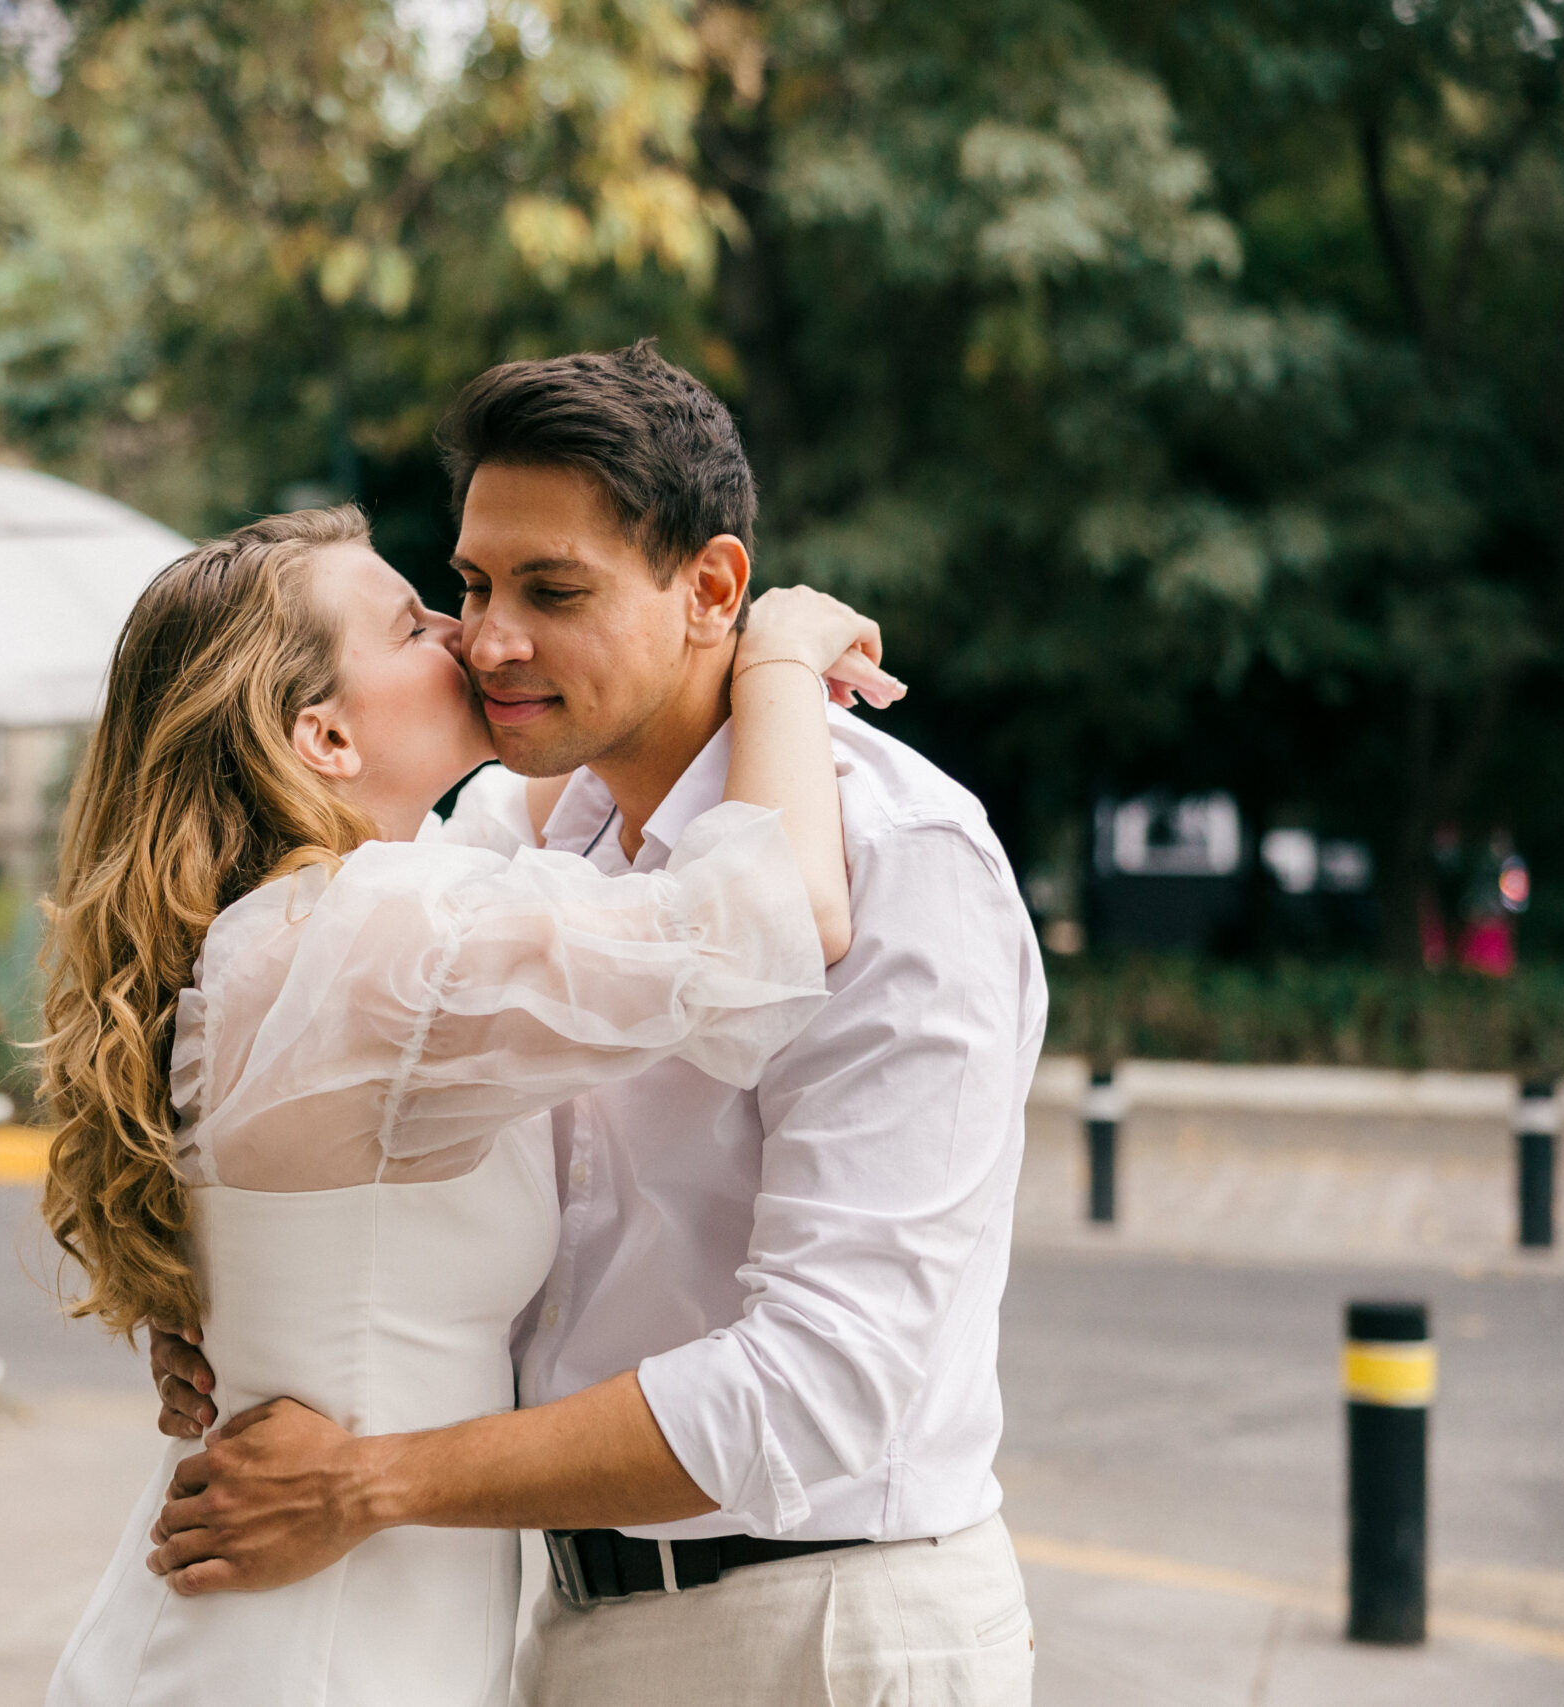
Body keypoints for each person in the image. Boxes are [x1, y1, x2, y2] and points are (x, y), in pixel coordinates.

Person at [142, 343, 1046, 1706]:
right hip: (554, 1622)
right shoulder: (511, 833)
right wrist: (256, 1312)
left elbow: (828, 1381)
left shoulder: (895, 852)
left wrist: (376, 1477)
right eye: (469, 587)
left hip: (823, 1624)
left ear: (713, 590)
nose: (489, 639)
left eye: (551, 590)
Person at [40, 501, 896, 1707]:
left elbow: (549, 811)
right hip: (310, 1652)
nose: (465, 633)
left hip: (327, 1623)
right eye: (410, 624)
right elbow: (779, 920)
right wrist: (775, 659)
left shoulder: (319, 923)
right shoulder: (368, 938)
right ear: (324, 735)